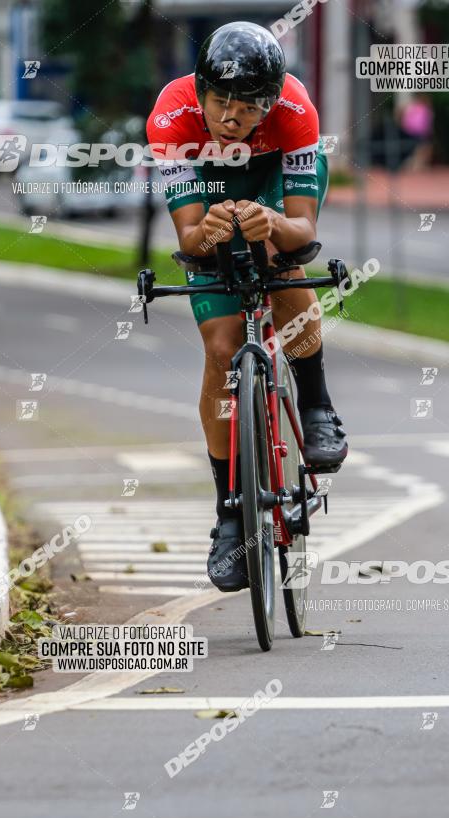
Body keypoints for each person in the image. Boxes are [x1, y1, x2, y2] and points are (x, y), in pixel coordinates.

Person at [146, 22, 348, 592]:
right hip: (207, 193)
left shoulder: (295, 110)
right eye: (220, 102)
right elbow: (187, 238)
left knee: (281, 265)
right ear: (201, 89)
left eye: (249, 106)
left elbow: (304, 228)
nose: (233, 117)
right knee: (220, 347)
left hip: (271, 187)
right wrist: (205, 232)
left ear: (271, 100)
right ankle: (230, 517)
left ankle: (316, 406)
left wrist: (276, 223)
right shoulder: (171, 114)